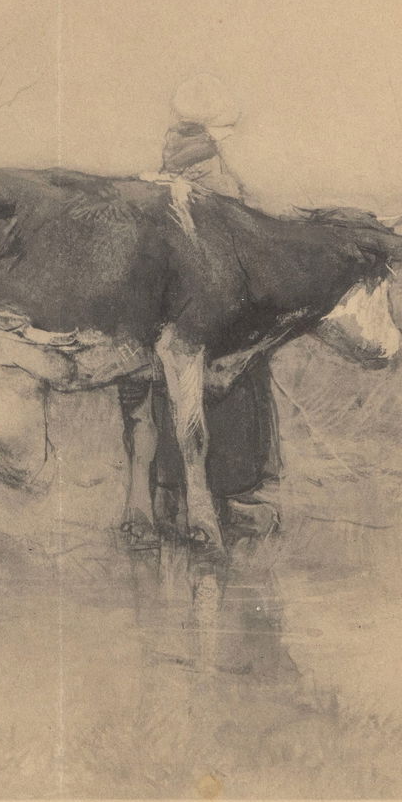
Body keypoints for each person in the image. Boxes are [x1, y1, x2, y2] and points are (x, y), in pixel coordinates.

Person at [146, 76, 282, 547]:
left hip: (180, 313)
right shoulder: (206, 175)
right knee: (230, 396)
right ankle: (229, 502)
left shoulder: (172, 168)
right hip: (220, 311)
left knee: (174, 396)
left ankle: (172, 497)